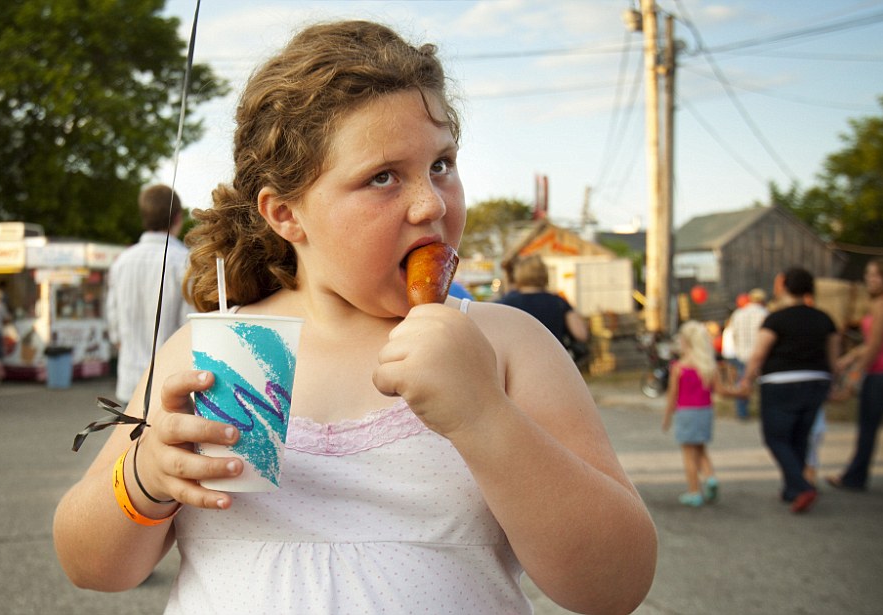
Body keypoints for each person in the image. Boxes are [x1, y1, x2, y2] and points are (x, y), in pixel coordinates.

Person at [54, 20, 656, 614]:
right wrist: (144, 480)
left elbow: (614, 585)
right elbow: (92, 567)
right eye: (383, 177)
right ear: (287, 214)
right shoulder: (218, 352)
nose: (431, 203)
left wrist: (483, 415)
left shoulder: (504, 344)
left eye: (441, 164)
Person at [735, 267, 839, 514]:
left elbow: (759, 353)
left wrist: (746, 380)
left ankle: (802, 486)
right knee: (799, 436)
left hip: (780, 382)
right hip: (816, 381)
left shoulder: (775, 319)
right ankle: (792, 488)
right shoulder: (824, 319)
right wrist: (834, 384)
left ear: (783, 285)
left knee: (776, 437)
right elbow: (833, 358)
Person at [106, 184, 192, 404]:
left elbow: (113, 327)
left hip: (129, 382)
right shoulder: (184, 261)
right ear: (178, 217)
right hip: (170, 385)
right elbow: (189, 328)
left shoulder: (122, 262)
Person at [827, 257, 883, 492]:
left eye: (876, 275)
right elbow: (871, 343)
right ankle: (855, 475)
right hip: (880, 370)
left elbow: (875, 345)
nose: (870, 280)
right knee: (868, 429)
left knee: (867, 429)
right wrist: (849, 358)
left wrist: (856, 375)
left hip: (881, 373)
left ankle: (854, 478)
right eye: (868, 274)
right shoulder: (879, 304)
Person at [661, 321, 720, 507]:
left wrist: (667, 417)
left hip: (686, 413)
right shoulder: (708, 366)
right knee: (701, 448)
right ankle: (710, 478)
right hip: (705, 411)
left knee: (688, 454)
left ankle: (694, 492)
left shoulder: (679, 368)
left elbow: (672, 396)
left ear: (685, 342)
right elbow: (719, 390)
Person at [498, 255, 590, 364]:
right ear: (545, 274)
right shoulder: (559, 302)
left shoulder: (506, 304)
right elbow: (581, 334)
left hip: (518, 365)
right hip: (554, 363)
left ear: (518, 274)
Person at [726, 288, 768, 420]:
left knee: (743, 381)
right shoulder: (764, 314)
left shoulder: (739, 313)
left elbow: (733, 334)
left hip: (742, 354)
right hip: (759, 353)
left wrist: (738, 349)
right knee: (763, 384)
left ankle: (742, 412)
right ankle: (764, 412)